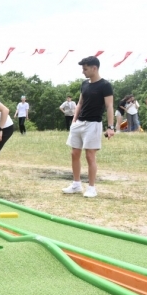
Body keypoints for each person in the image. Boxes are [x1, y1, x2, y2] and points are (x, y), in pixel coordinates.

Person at [62, 56, 114, 198]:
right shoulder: (84, 84)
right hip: (79, 123)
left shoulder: (105, 85)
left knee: (90, 155)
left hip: (93, 124)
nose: (83, 72)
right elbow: (80, 103)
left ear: (94, 68)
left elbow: (109, 106)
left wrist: (110, 127)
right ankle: (76, 184)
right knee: (74, 153)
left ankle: (91, 188)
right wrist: (74, 120)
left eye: (85, 69)